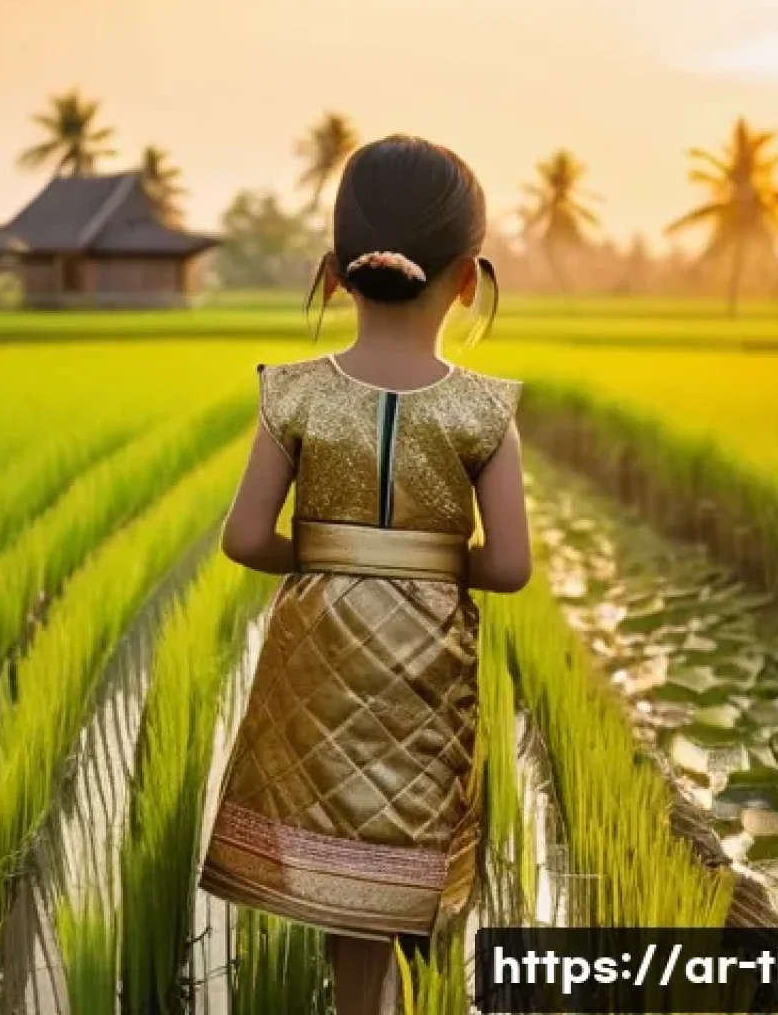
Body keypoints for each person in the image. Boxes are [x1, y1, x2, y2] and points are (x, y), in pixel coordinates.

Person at [199, 134, 532, 1015]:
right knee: (409, 851)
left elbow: (243, 538)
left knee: (341, 864)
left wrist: (335, 555)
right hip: (426, 658)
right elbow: (508, 566)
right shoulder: (484, 409)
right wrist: (421, 565)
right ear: (468, 281)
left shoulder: (294, 393)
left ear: (334, 273)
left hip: (323, 647)